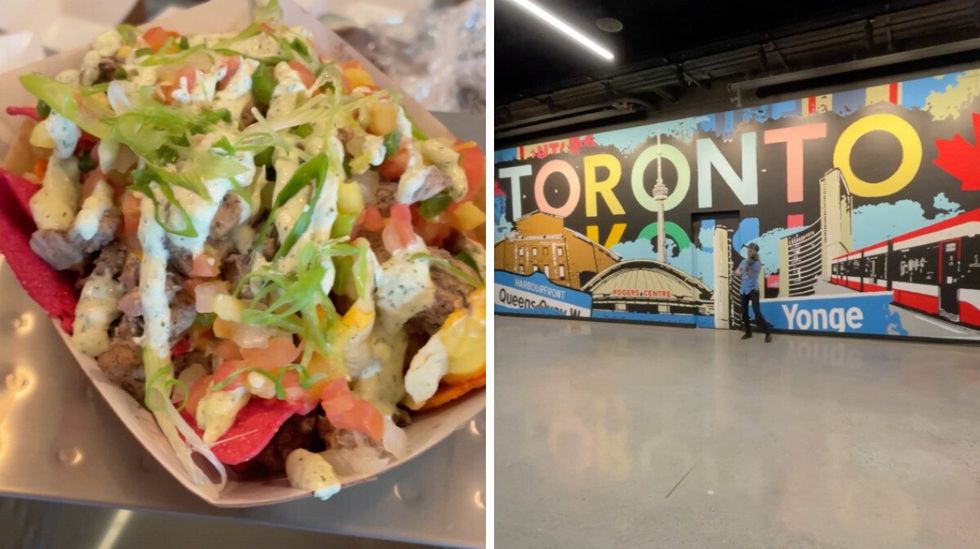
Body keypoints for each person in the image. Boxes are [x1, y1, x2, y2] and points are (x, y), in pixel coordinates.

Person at [735, 242, 772, 342]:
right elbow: (737, 272)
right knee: (744, 314)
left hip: (753, 290)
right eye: (748, 250)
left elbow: (752, 275)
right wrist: (739, 271)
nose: (748, 252)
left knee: (757, 313)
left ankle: (768, 333)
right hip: (743, 290)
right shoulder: (743, 261)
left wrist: (747, 269)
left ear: (754, 253)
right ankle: (748, 333)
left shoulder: (757, 263)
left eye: (750, 251)